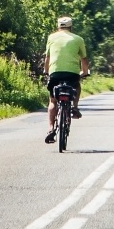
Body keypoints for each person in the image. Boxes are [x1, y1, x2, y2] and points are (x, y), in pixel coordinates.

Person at [44, 16, 89, 144]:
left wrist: (46, 71)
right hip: (72, 74)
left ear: (58, 27)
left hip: (55, 73)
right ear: (71, 27)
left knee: (53, 101)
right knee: (77, 85)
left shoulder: (51, 37)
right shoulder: (78, 39)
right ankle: (75, 107)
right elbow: (84, 59)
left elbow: (47, 58)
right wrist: (85, 72)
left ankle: (51, 128)